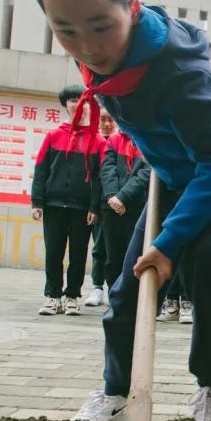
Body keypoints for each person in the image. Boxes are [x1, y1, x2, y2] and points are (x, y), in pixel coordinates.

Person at [28, 0, 211, 421]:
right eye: (66, 31)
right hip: (177, 172)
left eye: (101, 27)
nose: (89, 47)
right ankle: (116, 390)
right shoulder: (95, 52)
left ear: (131, 10)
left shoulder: (182, 76)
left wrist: (171, 241)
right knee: (130, 284)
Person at [30, 84, 104, 317]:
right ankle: (53, 297)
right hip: (54, 205)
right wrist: (37, 201)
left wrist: (94, 206)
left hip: (82, 209)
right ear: (65, 105)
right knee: (53, 252)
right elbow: (41, 170)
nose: (77, 104)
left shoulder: (97, 141)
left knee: (79, 254)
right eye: (72, 100)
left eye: (82, 100)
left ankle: (72, 296)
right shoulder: (53, 136)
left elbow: (100, 179)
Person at [98, 126, 150, 292]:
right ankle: (113, 293)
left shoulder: (148, 142)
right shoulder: (114, 140)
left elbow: (146, 173)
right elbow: (107, 169)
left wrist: (123, 197)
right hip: (111, 206)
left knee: (134, 255)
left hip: (137, 207)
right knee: (112, 255)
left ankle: (129, 296)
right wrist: (113, 196)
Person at [85, 108, 118, 306]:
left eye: (111, 120)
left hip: (120, 205)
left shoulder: (121, 143)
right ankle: (97, 287)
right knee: (99, 247)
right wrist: (94, 207)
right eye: (103, 120)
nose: (106, 124)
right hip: (99, 206)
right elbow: (96, 179)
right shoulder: (95, 144)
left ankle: (115, 289)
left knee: (117, 250)